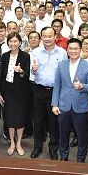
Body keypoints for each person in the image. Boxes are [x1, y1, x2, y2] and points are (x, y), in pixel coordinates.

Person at [51, 38, 88, 162]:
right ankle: (63, 157)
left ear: (80, 49)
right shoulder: (61, 65)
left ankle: (80, 160)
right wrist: (54, 104)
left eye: (76, 48)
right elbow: (57, 86)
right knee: (63, 134)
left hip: (81, 106)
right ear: (67, 50)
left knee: (82, 136)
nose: (73, 51)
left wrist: (82, 86)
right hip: (63, 106)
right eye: (70, 48)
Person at [31, 27, 67, 160]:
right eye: (44, 36)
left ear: (55, 36)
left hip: (55, 91)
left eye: (50, 36)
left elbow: (64, 73)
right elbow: (31, 73)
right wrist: (33, 70)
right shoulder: (35, 52)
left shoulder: (62, 53)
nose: (47, 39)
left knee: (54, 123)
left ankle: (53, 149)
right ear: (41, 37)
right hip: (38, 90)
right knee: (38, 121)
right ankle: (37, 147)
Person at [0, 32, 32, 156]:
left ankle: (19, 143)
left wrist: (21, 71)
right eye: (11, 41)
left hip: (21, 92)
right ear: (8, 43)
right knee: (10, 119)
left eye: (15, 41)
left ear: (20, 42)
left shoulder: (25, 56)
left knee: (20, 119)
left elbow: (28, 74)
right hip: (8, 91)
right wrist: (0, 92)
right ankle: (12, 142)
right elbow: (2, 75)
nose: (13, 43)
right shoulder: (5, 56)